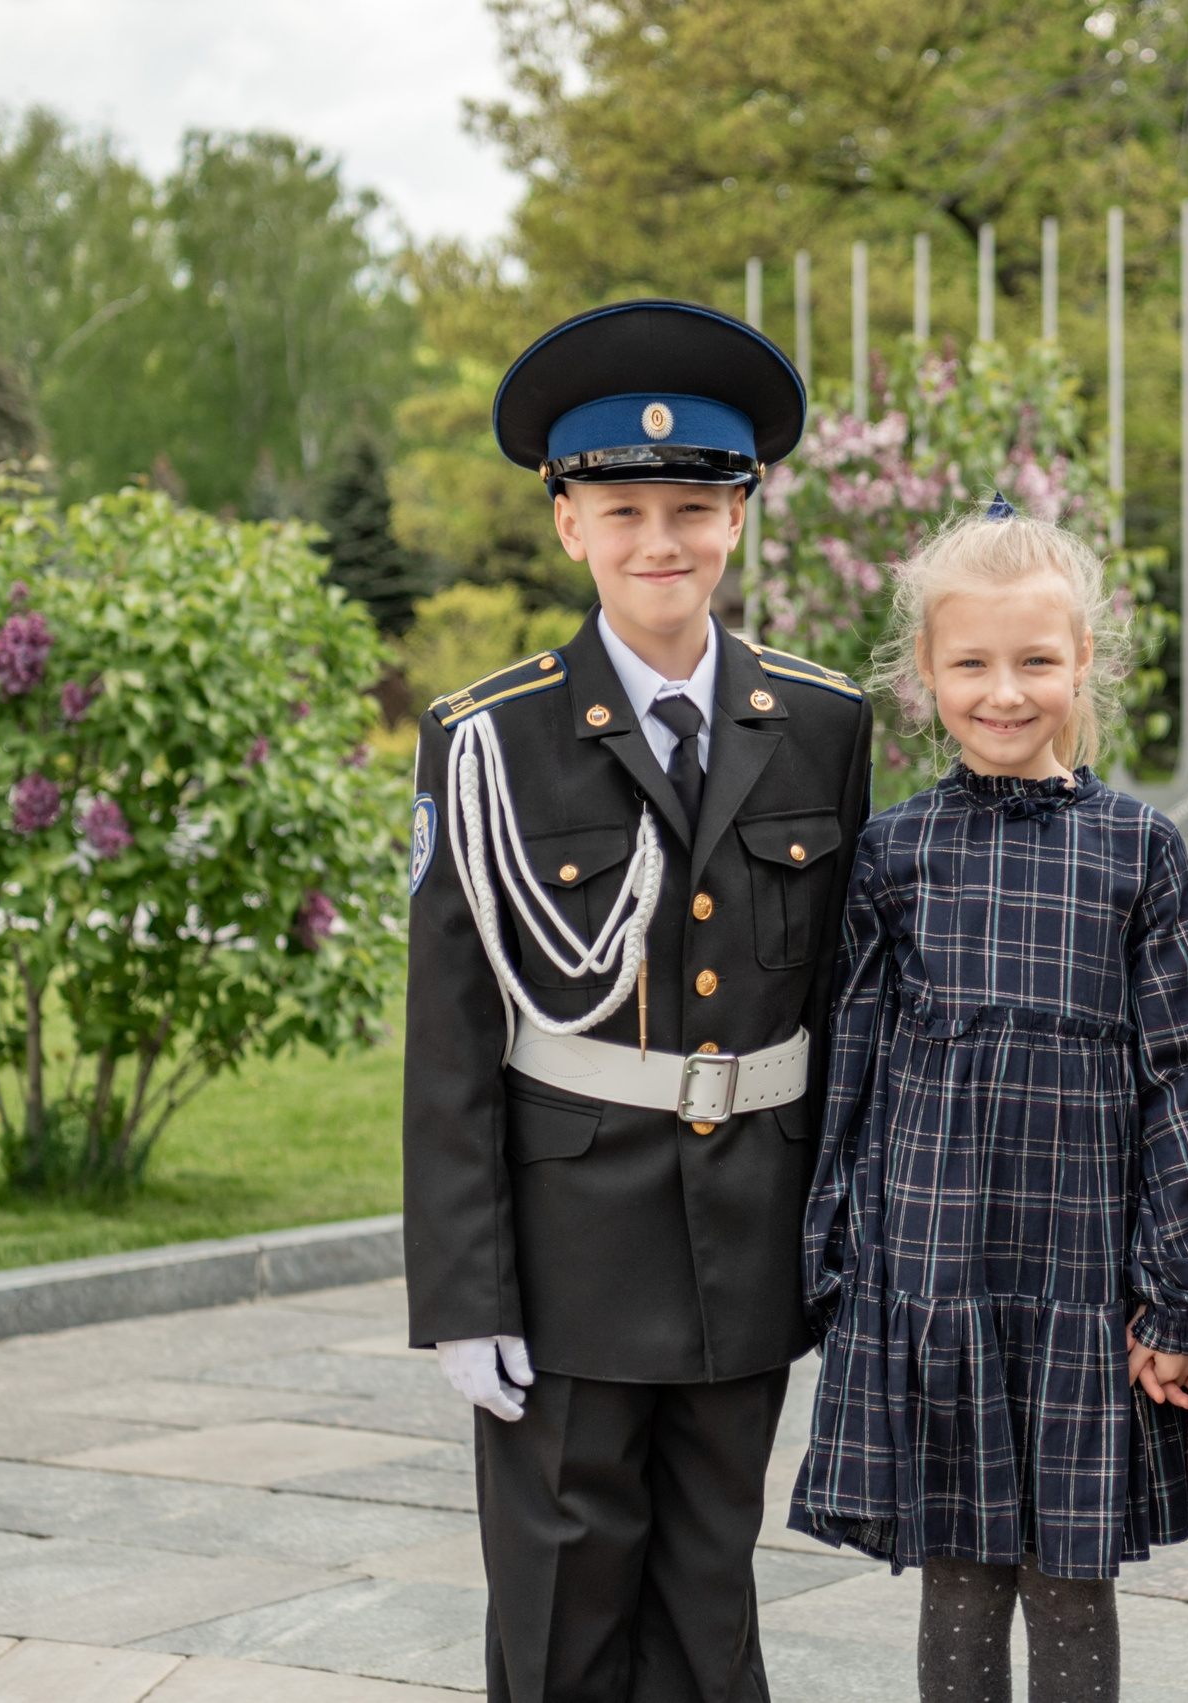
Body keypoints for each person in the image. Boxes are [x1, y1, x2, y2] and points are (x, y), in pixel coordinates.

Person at [401, 298, 872, 1703]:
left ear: (744, 512)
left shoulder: (824, 719)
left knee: (711, 1597)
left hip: (748, 1235)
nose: (659, 540)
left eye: (691, 505)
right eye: (622, 510)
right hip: (565, 1246)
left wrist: (838, 1238)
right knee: (563, 1599)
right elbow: (452, 1035)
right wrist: (461, 1291)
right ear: (566, 524)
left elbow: (839, 998)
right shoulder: (487, 738)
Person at [792, 500, 1188, 1703]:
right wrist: (837, 1257)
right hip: (937, 1276)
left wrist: (1167, 1290)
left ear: (1084, 662)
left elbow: (1179, 1076)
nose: (1005, 691)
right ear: (924, 672)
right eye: (970, 662)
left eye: (1036, 660)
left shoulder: (1139, 850)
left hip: (1081, 1281)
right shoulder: (893, 850)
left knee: (1071, 1579)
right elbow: (854, 1061)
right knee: (960, 1572)